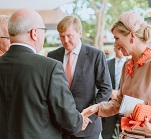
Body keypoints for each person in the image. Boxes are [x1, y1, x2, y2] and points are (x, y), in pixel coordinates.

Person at [82, 11, 151, 139]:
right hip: (129, 134)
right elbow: (120, 103)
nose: (115, 44)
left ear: (132, 36)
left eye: (117, 38)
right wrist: (96, 108)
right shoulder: (128, 65)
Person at [0, 8, 89, 139]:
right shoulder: (50, 67)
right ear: (34, 33)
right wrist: (80, 120)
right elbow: (70, 121)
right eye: (43, 30)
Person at [47, 15, 112, 139]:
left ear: (80, 33)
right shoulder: (52, 56)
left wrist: (87, 116)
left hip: (88, 127)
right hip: (59, 127)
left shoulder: (96, 55)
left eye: (69, 35)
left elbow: (106, 89)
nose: (65, 40)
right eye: (62, 36)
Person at [102, 46, 126, 139]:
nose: (120, 51)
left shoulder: (130, 64)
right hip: (109, 102)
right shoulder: (106, 63)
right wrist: (110, 92)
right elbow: (101, 81)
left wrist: (120, 93)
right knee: (106, 133)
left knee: (124, 133)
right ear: (114, 49)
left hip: (124, 103)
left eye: (122, 48)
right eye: (118, 48)